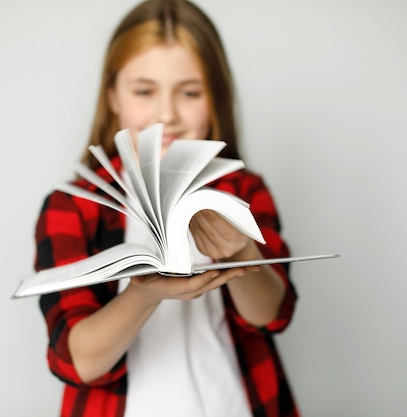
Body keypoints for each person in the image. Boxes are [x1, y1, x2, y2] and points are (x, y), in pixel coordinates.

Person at [34, 1, 299, 416]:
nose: (167, 114)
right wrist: (142, 294)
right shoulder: (74, 206)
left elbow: (271, 316)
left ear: (216, 98)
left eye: (190, 92)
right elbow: (78, 360)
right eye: (144, 91)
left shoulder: (243, 189)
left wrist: (243, 253)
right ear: (113, 97)